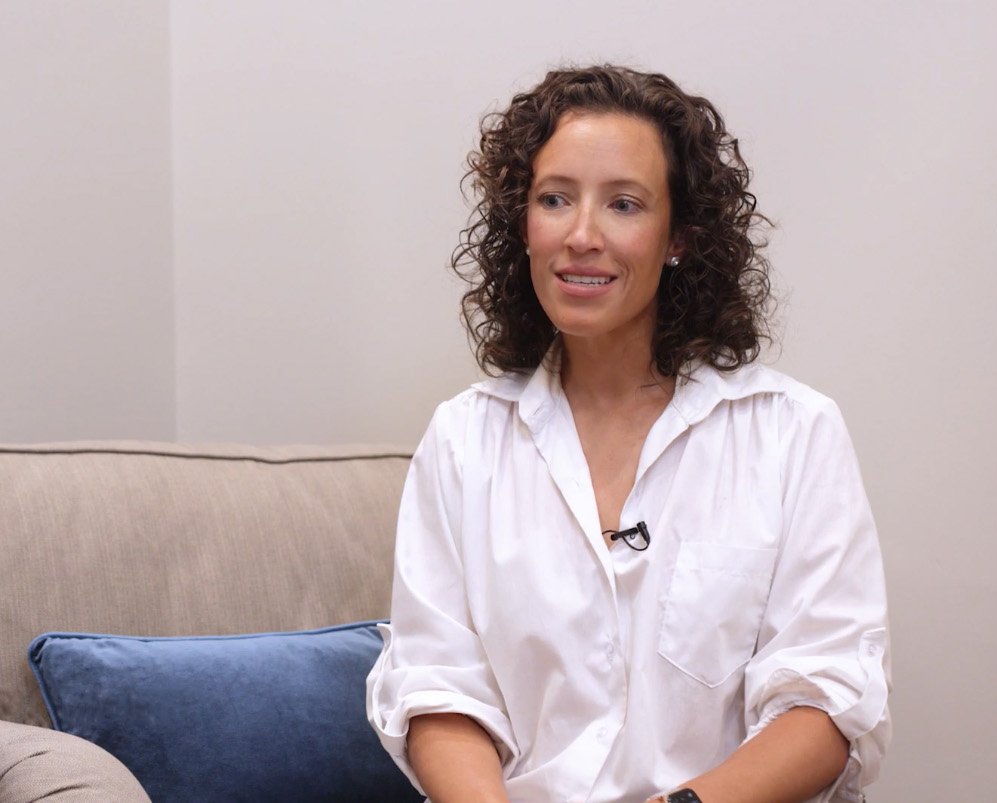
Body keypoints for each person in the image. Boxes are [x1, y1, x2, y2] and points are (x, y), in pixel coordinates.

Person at [366, 65, 890, 803]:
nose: (582, 235)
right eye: (555, 199)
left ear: (678, 236)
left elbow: (831, 698)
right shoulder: (463, 440)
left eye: (623, 204)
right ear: (524, 225)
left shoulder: (793, 433)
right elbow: (438, 688)